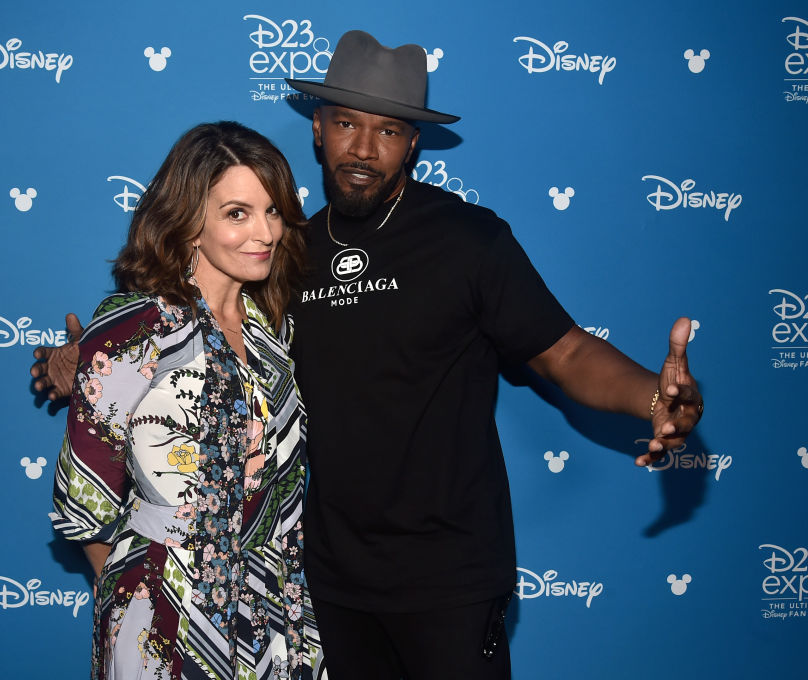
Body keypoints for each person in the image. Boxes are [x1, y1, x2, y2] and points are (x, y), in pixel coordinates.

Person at [34, 32, 702, 680]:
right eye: (347, 123)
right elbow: (185, 330)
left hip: (448, 578)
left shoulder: (468, 239)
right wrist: (90, 359)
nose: (363, 147)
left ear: (413, 143)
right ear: (318, 128)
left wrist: (653, 396)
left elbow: (567, 351)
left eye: (388, 130)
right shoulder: (283, 254)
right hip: (320, 587)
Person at [48, 121, 325, 679]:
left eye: (272, 211)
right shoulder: (139, 327)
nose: (264, 233)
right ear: (190, 221)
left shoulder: (272, 330)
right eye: (237, 213)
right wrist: (141, 603)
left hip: (275, 608)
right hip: (165, 613)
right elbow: (84, 503)